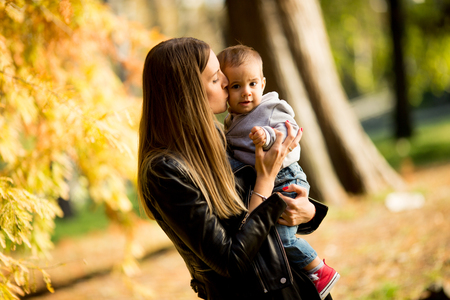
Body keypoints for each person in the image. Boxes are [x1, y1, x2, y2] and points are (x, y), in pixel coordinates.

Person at [138, 37, 330, 300]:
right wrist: (266, 178)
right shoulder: (166, 171)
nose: (227, 83)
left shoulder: (217, 136)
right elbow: (231, 260)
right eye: (216, 79)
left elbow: (252, 211)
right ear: (190, 90)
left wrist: (308, 212)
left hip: (292, 285)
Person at [217, 44, 339, 299]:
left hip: (285, 177)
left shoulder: (270, 107)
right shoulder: (231, 120)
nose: (246, 92)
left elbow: (289, 130)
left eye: (252, 84)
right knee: (274, 238)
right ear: (226, 90)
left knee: (282, 238)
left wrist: (269, 136)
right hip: (266, 184)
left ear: (262, 83)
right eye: (236, 86)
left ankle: (318, 269)